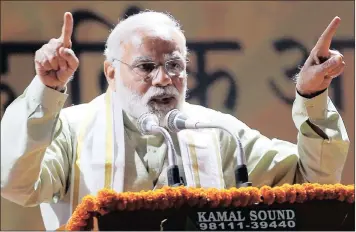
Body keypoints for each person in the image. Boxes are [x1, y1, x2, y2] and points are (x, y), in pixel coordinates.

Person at [1, 10, 349, 230]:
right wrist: (45, 90)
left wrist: (311, 98)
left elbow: (314, 180)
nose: (164, 79)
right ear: (111, 72)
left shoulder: (217, 131)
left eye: (175, 66)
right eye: (147, 67)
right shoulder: (73, 129)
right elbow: (15, 184)